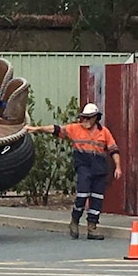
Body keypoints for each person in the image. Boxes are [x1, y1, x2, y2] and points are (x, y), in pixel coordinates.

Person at [26, 103, 122, 240]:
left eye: (88, 118)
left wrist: (118, 167)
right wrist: (36, 129)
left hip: (99, 170)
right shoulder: (75, 129)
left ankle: (92, 228)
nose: (85, 121)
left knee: (97, 200)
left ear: (96, 118)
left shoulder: (104, 132)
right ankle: (75, 220)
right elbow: (55, 129)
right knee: (82, 196)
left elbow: (114, 150)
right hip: (84, 167)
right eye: (83, 118)